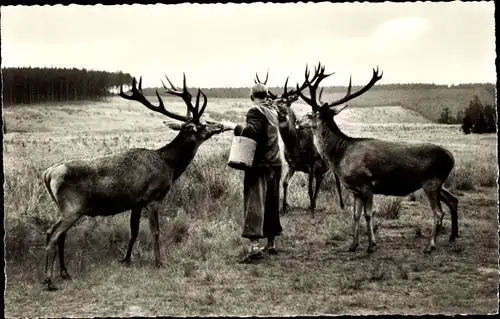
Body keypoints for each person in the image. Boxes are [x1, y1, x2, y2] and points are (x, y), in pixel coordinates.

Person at [233, 82, 283, 262]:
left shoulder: (256, 111)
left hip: (260, 165)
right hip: (275, 163)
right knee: (271, 202)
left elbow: (251, 133)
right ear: (266, 95)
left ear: (251, 96)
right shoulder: (273, 111)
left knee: (255, 203)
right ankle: (271, 244)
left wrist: (235, 128)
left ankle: (254, 247)